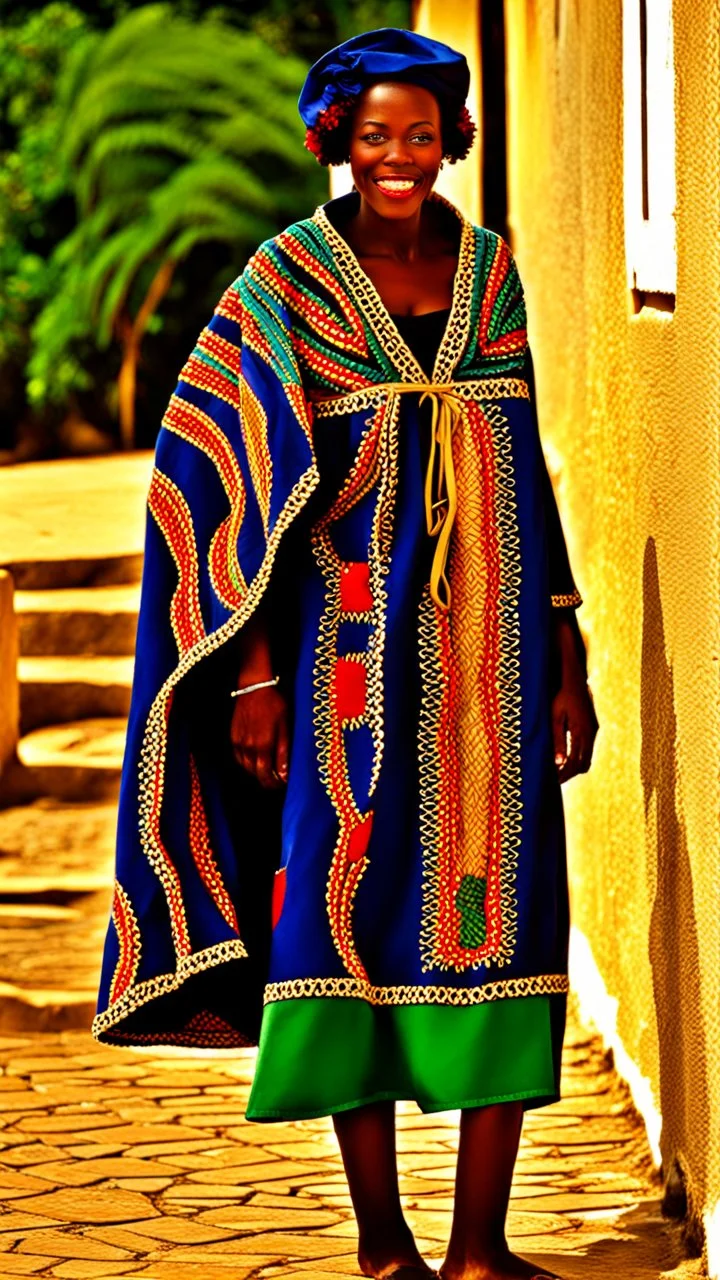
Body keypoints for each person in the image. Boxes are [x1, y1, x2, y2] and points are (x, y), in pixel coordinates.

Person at [93, 27, 599, 1280]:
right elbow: (221, 473)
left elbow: (521, 468)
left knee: (512, 918)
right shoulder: (285, 283)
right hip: (340, 672)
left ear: (451, 142)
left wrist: (566, 641)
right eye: (375, 135)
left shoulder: (490, 274)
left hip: (492, 660)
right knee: (338, 923)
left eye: (421, 135)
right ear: (337, 139)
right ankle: (384, 1246)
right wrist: (254, 669)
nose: (398, 158)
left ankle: (480, 1246)